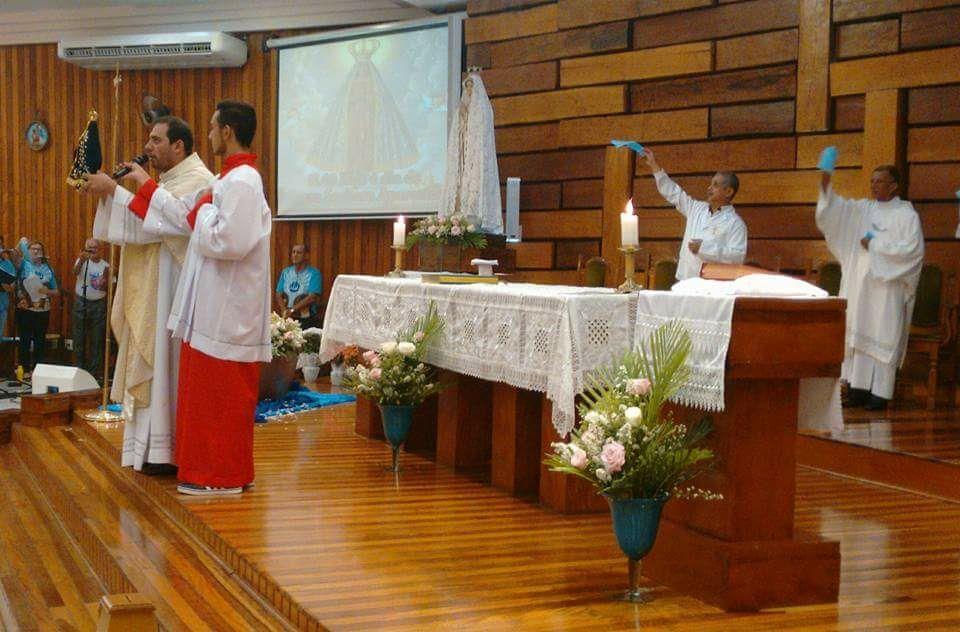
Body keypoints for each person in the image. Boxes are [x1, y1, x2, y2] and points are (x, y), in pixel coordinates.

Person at [116, 101, 271, 496]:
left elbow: (230, 241)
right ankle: (218, 471)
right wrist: (149, 188)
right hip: (212, 307)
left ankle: (221, 477)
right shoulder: (227, 179)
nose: (209, 134)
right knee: (208, 398)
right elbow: (182, 215)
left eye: (214, 127)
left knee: (222, 399)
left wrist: (201, 213)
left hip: (228, 310)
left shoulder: (243, 182)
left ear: (229, 131)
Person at [83, 116, 214, 474]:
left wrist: (115, 190)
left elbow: (166, 224)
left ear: (179, 146)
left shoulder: (199, 180)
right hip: (157, 288)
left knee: (165, 367)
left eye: (156, 141)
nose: (148, 147)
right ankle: (147, 450)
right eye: (148, 140)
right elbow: (149, 219)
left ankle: (166, 451)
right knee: (154, 366)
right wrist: (115, 190)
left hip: (173, 292)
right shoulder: (168, 180)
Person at [816, 158, 924, 411]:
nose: (874, 186)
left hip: (887, 287)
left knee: (882, 333)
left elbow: (912, 251)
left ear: (894, 186)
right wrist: (825, 180)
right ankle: (858, 387)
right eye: (872, 181)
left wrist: (876, 246)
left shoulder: (906, 215)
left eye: (880, 182)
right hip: (859, 284)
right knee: (859, 330)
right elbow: (834, 210)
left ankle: (881, 392)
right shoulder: (863, 209)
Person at [640, 148, 748, 281]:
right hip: (683, 282)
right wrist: (654, 165)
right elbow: (673, 193)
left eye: (715, 185)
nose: (709, 188)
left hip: (712, 288)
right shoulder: (696, 209)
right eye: (710, 184)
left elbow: (737, 257)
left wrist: (704, 248)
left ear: (728, 191)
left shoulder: (735, 224)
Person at [15, 238, 59, 372]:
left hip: (42, 309)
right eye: (32, 249)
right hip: (26, 309)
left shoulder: (48, 269)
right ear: (28, 252)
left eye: (38, 249)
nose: (35, 251)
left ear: (42, 252)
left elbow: (56, 291)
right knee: (25, 340)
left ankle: (38, 370)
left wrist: (48, 291)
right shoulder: (23, 264)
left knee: (40, 340)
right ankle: (24, 369)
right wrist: (21, 243)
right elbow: (15, 253)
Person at [71, 238, 109, 378]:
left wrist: (104, 281)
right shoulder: (82, 262)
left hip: (99, 303)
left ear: (100, 250)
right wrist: (81, 260)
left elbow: (109, 286)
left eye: (94, 248)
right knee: (79, 336)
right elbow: (74, 272)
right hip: (81, 301)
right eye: (89, 248)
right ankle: (79, 371)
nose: (92, 251)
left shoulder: (106, 266)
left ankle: (93, 373)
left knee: (96, 338)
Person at [275, 244, 322, 328]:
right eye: (293, 252)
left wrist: (292, 310)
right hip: (288, 316)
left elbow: (312, 297)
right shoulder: (286, 272)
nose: (295, 255)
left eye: (299, 253)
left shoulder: (314, 273)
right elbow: (278, 293)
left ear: (306, 256)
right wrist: (284, 311)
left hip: (305, 318)